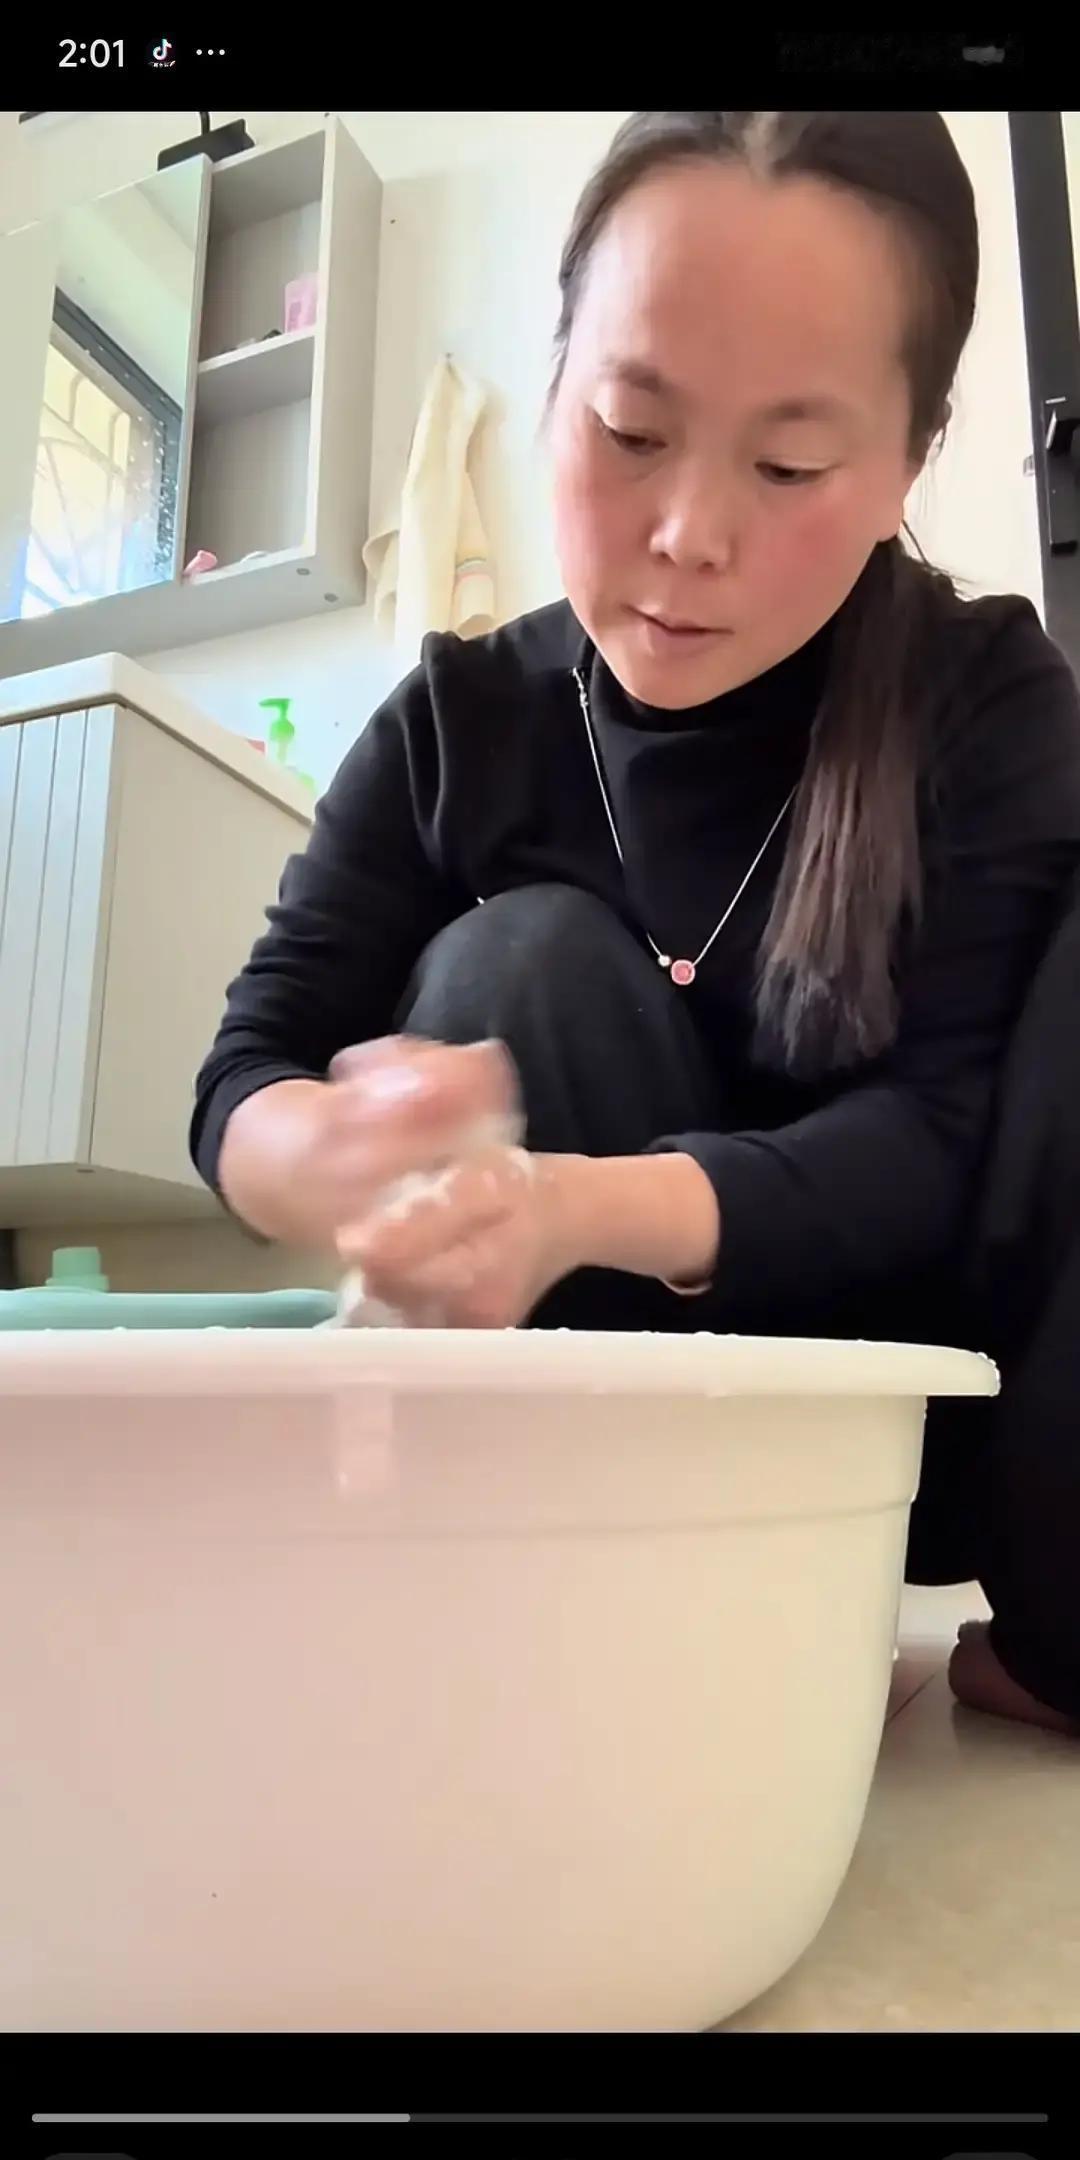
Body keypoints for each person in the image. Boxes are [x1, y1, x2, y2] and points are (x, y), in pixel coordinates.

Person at [192, 112, 1080, 1735]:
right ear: (556, 383)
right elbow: (247, 1066)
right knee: (515, 962)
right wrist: (323, 1146)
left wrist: (576, 1204)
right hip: (593, 1456)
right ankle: (548, 1618)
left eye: (789, 467)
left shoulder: (981, 698)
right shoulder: (463, 720)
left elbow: (941, 1137)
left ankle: (1063, 1624)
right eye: (631, 429)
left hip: (914, 1429)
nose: (689, 537)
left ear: (909, 458)